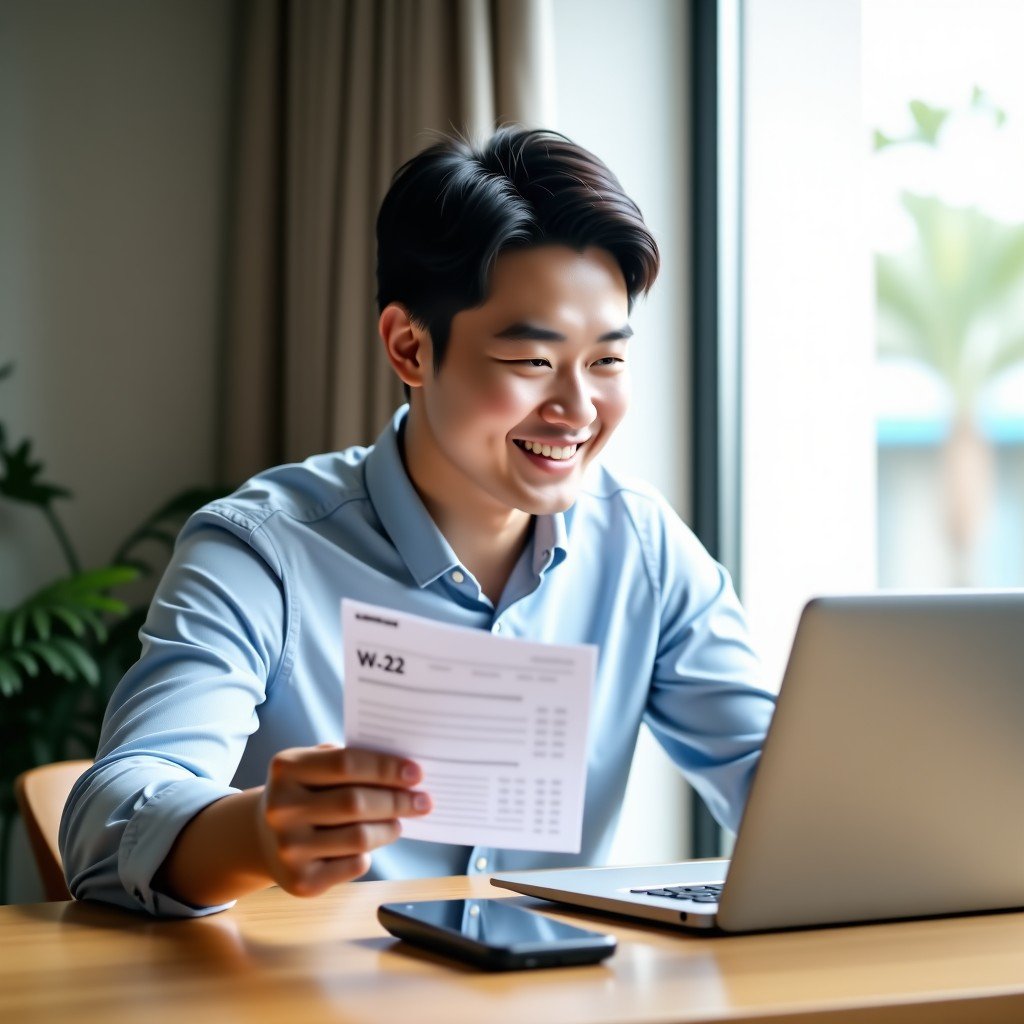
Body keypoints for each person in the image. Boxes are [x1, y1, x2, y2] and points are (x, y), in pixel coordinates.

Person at [61, 127, 776, 917]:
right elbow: (103, 829)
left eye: (606, 360)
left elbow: (776, 781)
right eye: (532, 362)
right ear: (410, 347)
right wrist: (257, 833)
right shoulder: (261, 552)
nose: (579, 409)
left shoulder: (644, 547)